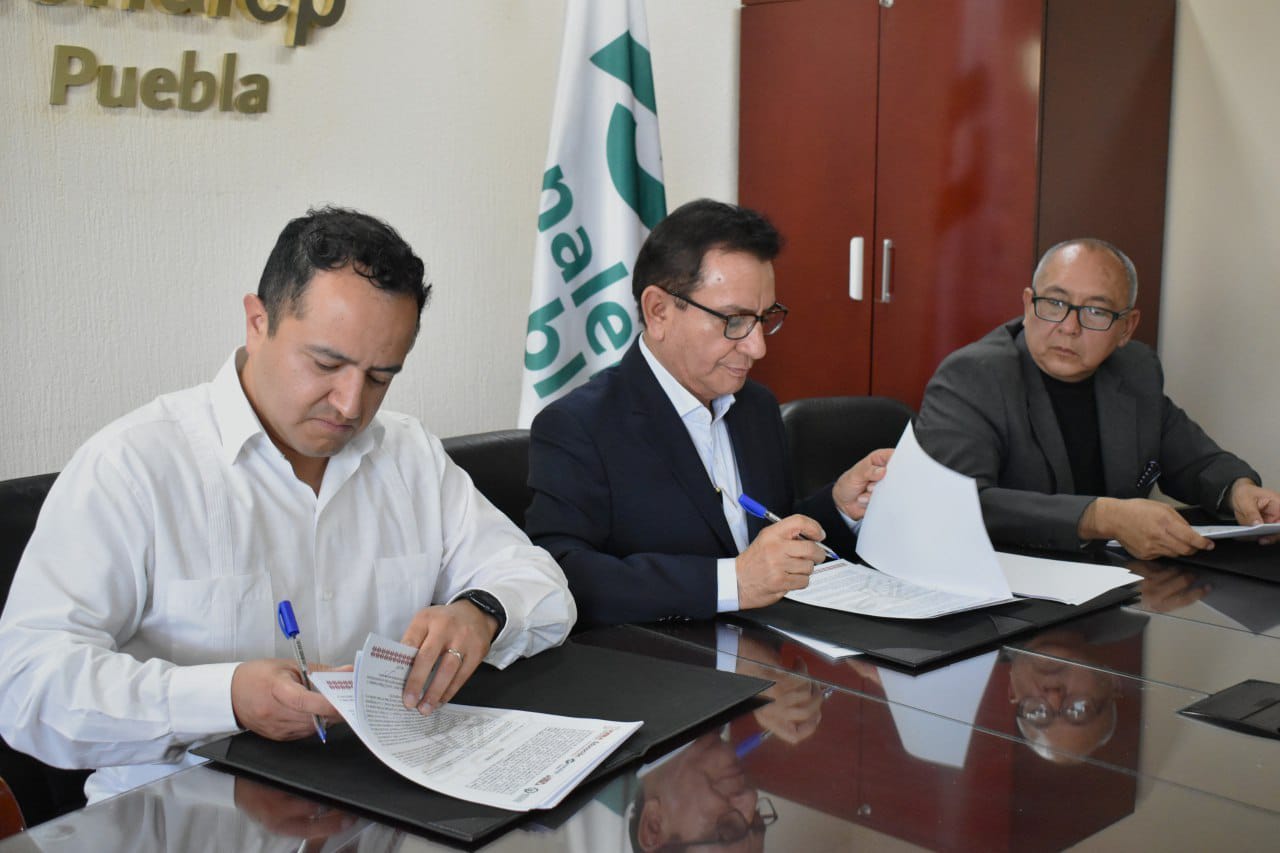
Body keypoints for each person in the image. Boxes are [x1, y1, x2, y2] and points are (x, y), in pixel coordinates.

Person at [0, 207, 575, 802]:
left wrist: (481, 611)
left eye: (380, 377)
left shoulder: (409, 454)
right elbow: (25, 686)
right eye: (326, 364)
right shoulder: (134, 465)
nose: (350, 404)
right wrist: (225, 699)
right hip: (184, 814)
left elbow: (541, 586)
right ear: (258, 321)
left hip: (381, 798)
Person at [526, 199, 889, 628]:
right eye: (734, 320)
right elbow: (561, 572)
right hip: (662, 660)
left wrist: (840, 506)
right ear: (658, 311)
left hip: (772, 647)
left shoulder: (756, 407)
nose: (757, 347)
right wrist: (732, 581)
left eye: (764, 318)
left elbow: (763, 536)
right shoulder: (579, 425)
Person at [914, 238, 1280, 559]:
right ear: (1028, 305)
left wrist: (1239, 492)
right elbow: (958, 505)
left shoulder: (1134, 370)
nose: (1069, 327)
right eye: (1054, 303)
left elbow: (1193, 460)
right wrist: (1101, 517)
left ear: (1126, 327)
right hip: (1004, 583)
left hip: (1111, 583)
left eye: (1096, 311)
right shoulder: (972, 376)